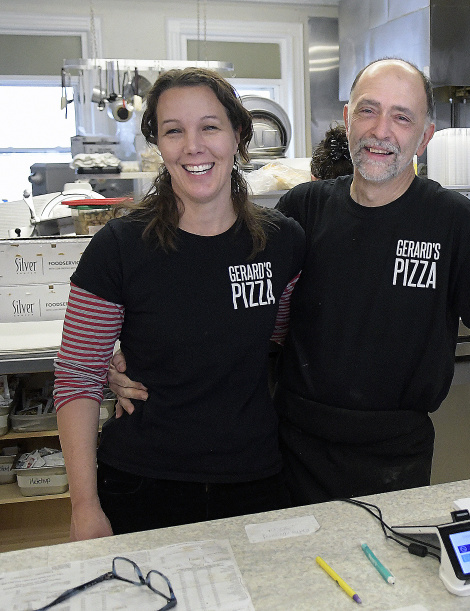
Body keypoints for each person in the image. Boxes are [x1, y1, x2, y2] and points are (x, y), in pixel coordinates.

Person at [112, 58, 470, 505]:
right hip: (291, 444)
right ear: (348, 118)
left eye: (402, 117)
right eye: (369, 112)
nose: (381, 131)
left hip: (394, 453)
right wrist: (129, 355)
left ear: (424, 136)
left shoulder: (452, 222)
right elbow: (227, 300)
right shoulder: (304, 208)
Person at [54, 67, 306, 540]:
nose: (193, 146)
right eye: (174, 131)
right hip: (142, 481)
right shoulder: (118, 247)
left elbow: (278, 338)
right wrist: (84, 508)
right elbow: (77, 376)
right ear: (159, 144)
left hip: (256, 479)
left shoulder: (281, 242)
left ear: (238, 135)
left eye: (209, 126)